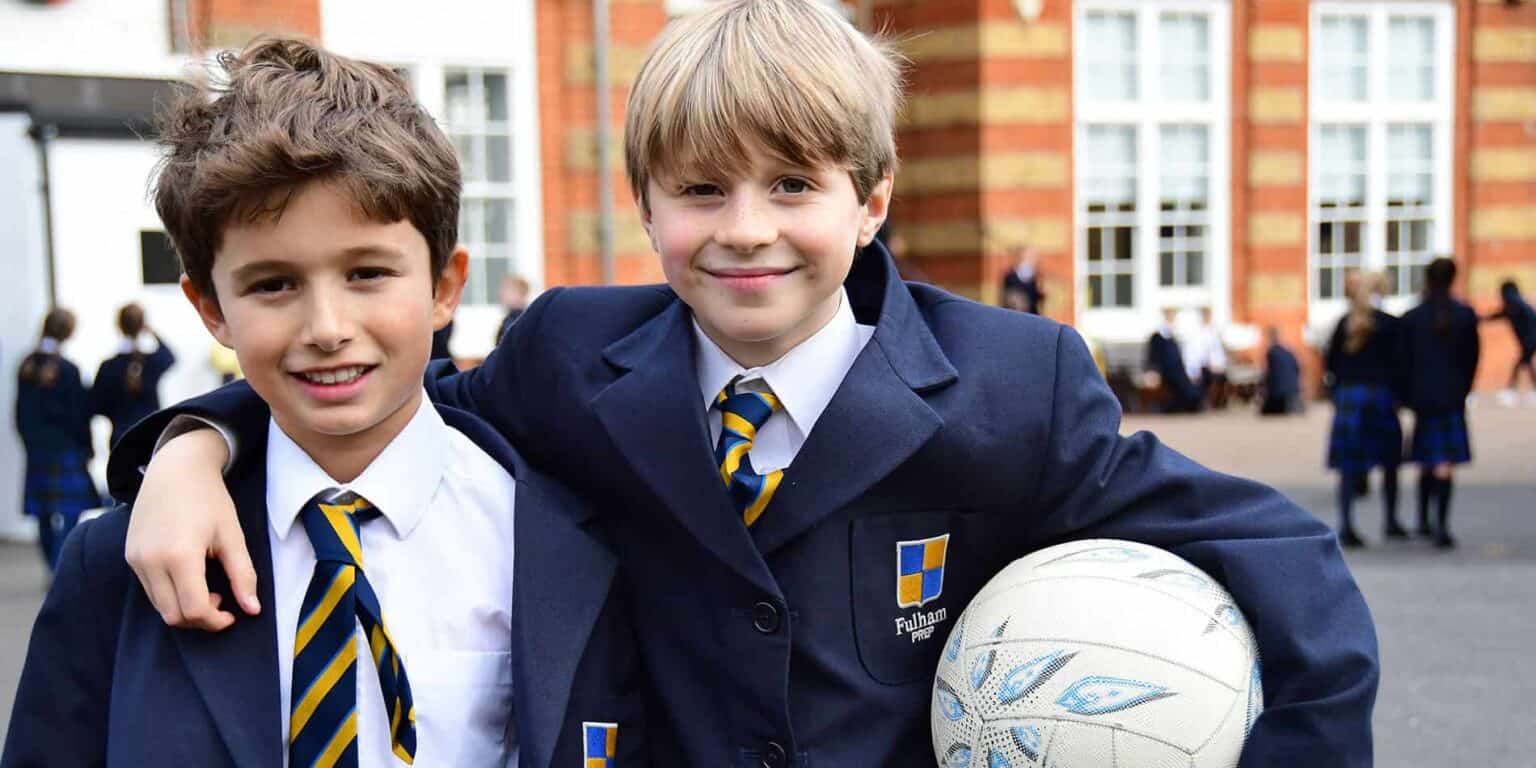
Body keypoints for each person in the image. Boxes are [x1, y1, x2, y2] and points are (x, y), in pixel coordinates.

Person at [106, 3, 1377, 765]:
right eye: (701, 191)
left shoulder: (1011, 383)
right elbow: (372, 400)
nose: (747, 230)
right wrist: (192, 445)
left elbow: (1278, 553)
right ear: (646, 206)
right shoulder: (564, 359)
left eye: (794, 188)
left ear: (870, 200)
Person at [2, 39, 646, 767]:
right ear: (210, 307)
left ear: (444, 286)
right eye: (273, 284)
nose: (327, 329)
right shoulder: (121, 563)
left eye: (368, 272)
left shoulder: (564, 542)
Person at [1399, 257, 1480, 548]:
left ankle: (1422, 520)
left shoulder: (1413, 317)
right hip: (1451, 396)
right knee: (1444, 463)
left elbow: (1403, 362)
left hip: (1423, 397)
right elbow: (1472, 358)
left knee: (1425, 459)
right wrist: (1463, 389)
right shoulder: (1465, 315)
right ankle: (1441, 526)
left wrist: (1406, 395)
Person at [13, 307, 100, 572]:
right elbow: (78, 415)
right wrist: (87, 447)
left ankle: (53, 566)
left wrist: (29, 442)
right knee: (72, 510)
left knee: (43, 513)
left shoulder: (27, 365)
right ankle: (58, 565)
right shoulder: (68, 370)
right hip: (66, 448)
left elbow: (19, 412)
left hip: (38, 449)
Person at [1324, 273, 1405, 548]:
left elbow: (1331, 364)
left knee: (1348, 466)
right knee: (1390, 462)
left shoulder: (1343, 325)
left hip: (1349, 397)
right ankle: (1391, 520)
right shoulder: (1390, 325)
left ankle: (1346, 523)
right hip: (1379, 395)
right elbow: (1401, 363)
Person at [91, 303, 177, 449]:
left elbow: (97, 405)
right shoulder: (152, 362)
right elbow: (170, 357)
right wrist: (152, 332)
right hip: (150, 434)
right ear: (143, 325)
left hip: (121, 436)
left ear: (119, 326)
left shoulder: (109, 366)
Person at [1481, 279, 1536, 406]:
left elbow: (1504, 313)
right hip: (1528, 340)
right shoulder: (1517, 303)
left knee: (1521, 363)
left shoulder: (1514, 302)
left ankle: (1510, 389)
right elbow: (1501, 314)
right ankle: (1517, 390)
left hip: (1530, 339)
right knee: (1526, 363)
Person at [1145, 307, 1203, 413]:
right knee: (1181, 385)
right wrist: (1153, 371)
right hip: (1166, 371)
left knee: (1190, 384)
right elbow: (1153, 356)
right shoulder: (1158, 335)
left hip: (1178, 370)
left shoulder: (1173, 334)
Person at [1184, 307, 1228, 409]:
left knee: (1222, 377)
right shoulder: (1197, 333)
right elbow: (1196, 354)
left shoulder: (1214, 332)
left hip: (1215, 365)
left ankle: (1219, 403)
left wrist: (1218, 364)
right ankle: (1205, 402)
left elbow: (1217, 352)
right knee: (1207, 377)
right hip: (1202, 366)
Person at [1261, 326, 1302, 416]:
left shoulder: (1271, 352)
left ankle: (1286, 406)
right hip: (1294, 391)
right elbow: (1298, 369)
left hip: (1279, 393)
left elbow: (1269, 375)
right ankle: (1292, 405)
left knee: (1265, 410)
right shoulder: (1289, 351)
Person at [1000, 244, 1044, 314]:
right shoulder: (1010, 276)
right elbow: (1005, 296)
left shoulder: (1037, 275)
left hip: (1032, 314)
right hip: (1015, 313)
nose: (1032, 259)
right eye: (1029, 256)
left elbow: (1039, 297)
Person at [494, 274, 531, 345]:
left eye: (506, 290)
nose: (501, 294)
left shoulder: (518, 321)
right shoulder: (510, 319)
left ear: (519, 293)